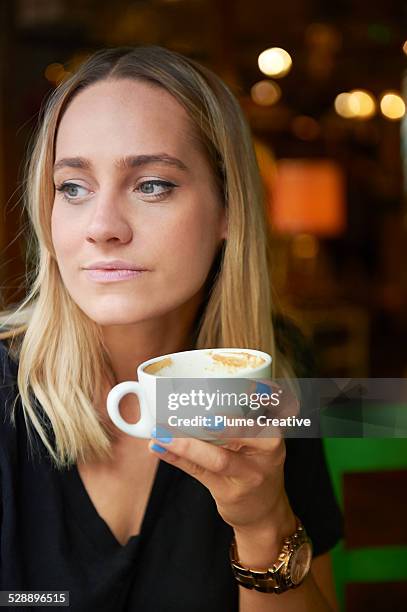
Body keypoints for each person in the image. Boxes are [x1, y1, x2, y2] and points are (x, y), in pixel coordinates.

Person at [0, 46, 343, 611]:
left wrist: (263, 526)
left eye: (152, 184)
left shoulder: (273, 373)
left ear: (228, 208)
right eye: (73, 188)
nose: (102, 227)